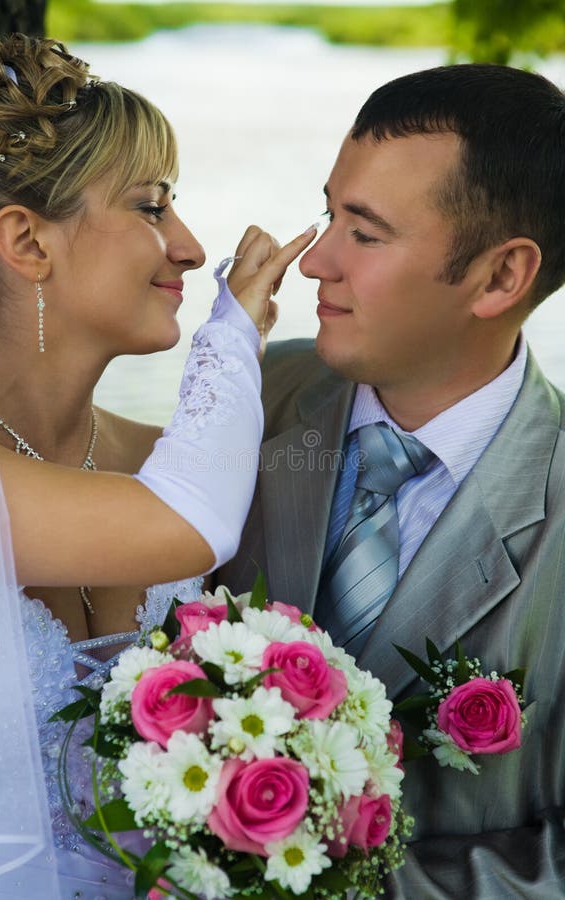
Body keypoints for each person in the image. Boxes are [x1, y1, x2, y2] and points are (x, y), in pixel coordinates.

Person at [0, 31, 315, 899]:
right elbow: (187, 522)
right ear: (27, 242)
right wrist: (233, 336)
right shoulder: (183, 491)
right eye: (152, 207)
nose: (193, 248)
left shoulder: (157, 455)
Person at [217, 63, 565, 897]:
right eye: (329, 212)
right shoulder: (248, 396)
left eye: (365, 235)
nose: (315, 263)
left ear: (500, 277)